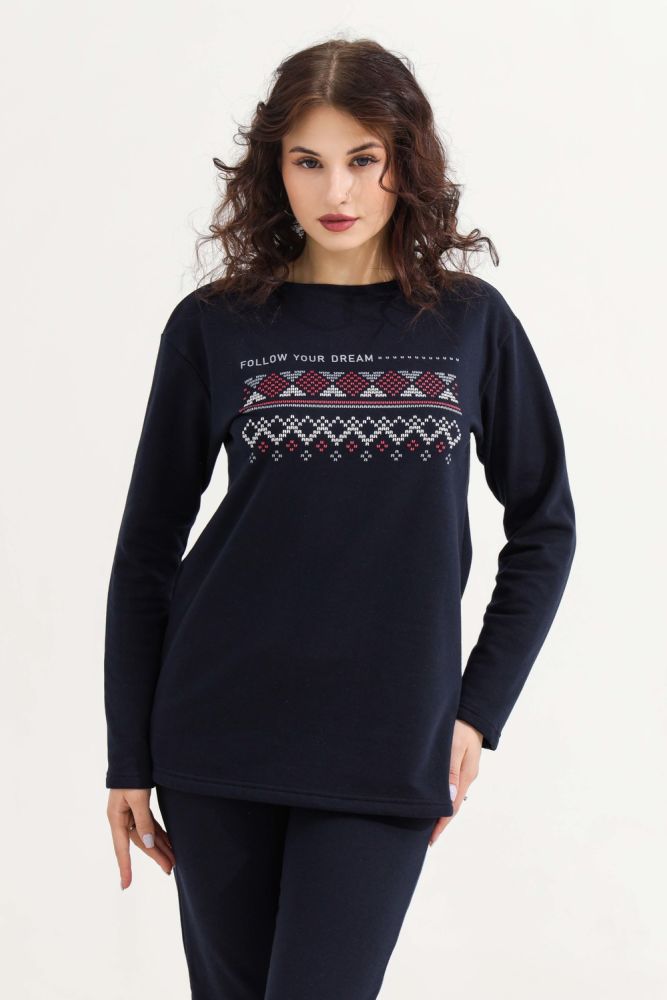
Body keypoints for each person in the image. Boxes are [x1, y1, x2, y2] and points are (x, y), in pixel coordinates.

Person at [104, 37, 576, 1000]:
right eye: (307, 161)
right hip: (216, 737)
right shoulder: (215, 326)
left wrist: (477, 711)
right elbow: (147, 548)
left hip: (385, 742)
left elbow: (545, 523)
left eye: (363, 158)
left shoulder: (469, 324)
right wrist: (128, 758)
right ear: (272, 170)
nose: (337, 191)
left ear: (405, 159)